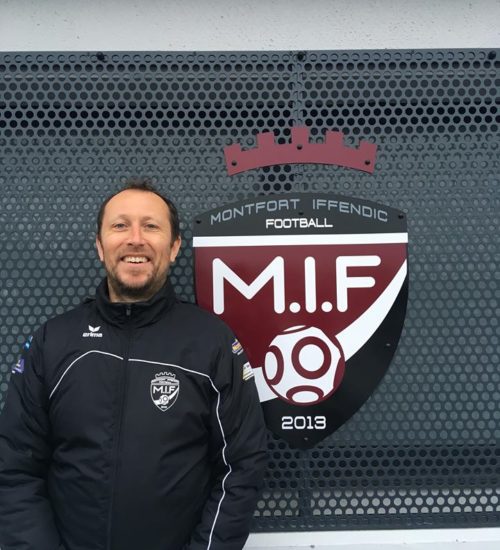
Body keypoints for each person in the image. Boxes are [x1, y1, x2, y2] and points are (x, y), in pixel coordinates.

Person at [0, 179, 268, 550]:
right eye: (120, 225)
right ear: (100, 246)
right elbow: (15, 466)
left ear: (174, 247)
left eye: (151, 226)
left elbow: (241, 466)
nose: (135, 239)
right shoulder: (53, 342)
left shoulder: (211, 343)